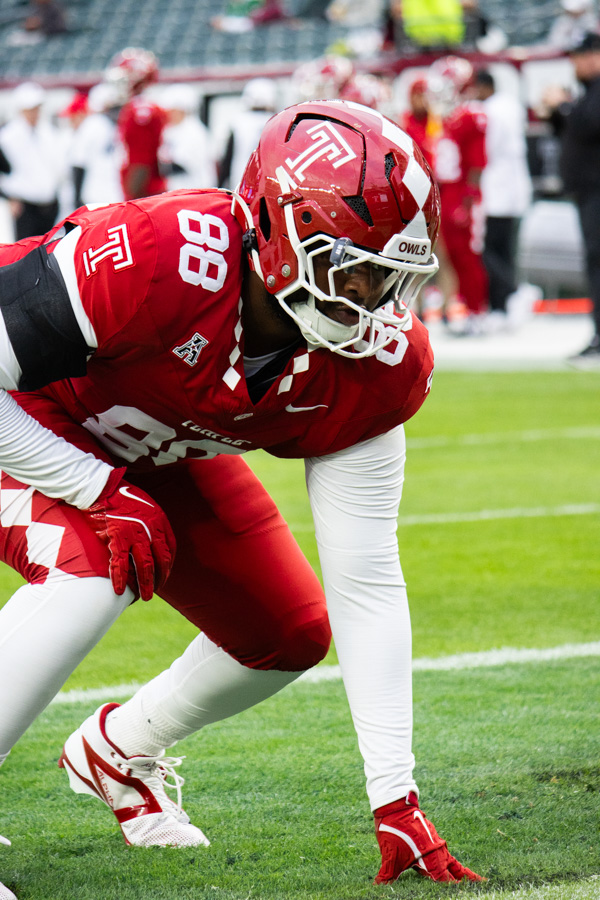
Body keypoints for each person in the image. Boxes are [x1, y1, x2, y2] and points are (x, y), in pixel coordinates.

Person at [0, 100, 485, 899]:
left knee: (286, 632)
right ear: (279, 232)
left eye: (391, 278)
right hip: (24, 411)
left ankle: (119, 752)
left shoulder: (374, 366)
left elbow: (366, 579)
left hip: (142, 443)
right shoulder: (157, 255)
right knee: (93, 566)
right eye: (354, 269)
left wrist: (394, 794)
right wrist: (92, 489)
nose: (372, 301)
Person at [543, 31, 600, 365]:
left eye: (581, 57)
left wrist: (562, 107)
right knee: (595, 261)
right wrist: (558, 112)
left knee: (598, 260)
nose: (576, 64)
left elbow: (588, 124)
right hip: (588, 192)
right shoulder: (588, 93)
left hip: (596, 191)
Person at [426, 55, 489, 333]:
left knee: (468, 255)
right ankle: (469, 310)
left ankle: (479, 312)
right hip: (448, 191)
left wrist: (469, 199)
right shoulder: (450, 116)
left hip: (463, 192)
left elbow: (476, 162)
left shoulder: (472, 114)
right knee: (453, 254)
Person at [472, 69, 536, 331]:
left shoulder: (489, 112)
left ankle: (513, 292)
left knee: (489, 251)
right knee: (505, 250)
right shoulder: (511, 106)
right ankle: (501, 306)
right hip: (514, 187)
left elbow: (488, 149)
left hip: (497, 188)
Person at [0, 82, 66, 240]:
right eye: (31, 109)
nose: (35, 113)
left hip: (49, 202)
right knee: (27, 248)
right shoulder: (8, 136)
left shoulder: (48, 132)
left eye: (37, 109)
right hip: (25, 204)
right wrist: (8, 197)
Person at [105, 47, 167, 201]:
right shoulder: (145, 106)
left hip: (146, 193)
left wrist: (132, 198)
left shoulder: (141, 111)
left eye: (125, 78)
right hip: (149, 191)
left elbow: (141, 161)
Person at [69, 82, 124, 208]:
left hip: (102, 196)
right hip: (101, 196)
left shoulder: (95, 124)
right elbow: (78, 163)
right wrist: (77, 198)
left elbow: (78, 162)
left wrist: (76, 197)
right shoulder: (95, 124)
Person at [218, 77, 276, 189]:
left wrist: (220, 185)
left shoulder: (238, 123)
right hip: (268, 184)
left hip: (240, 183)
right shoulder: (275, 122)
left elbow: (227, 160)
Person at [158, 84, 217, 191]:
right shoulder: (170, 130)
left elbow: (182, 164)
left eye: (171, 111)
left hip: (193, 189)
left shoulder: (193, 131)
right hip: (175, 190)